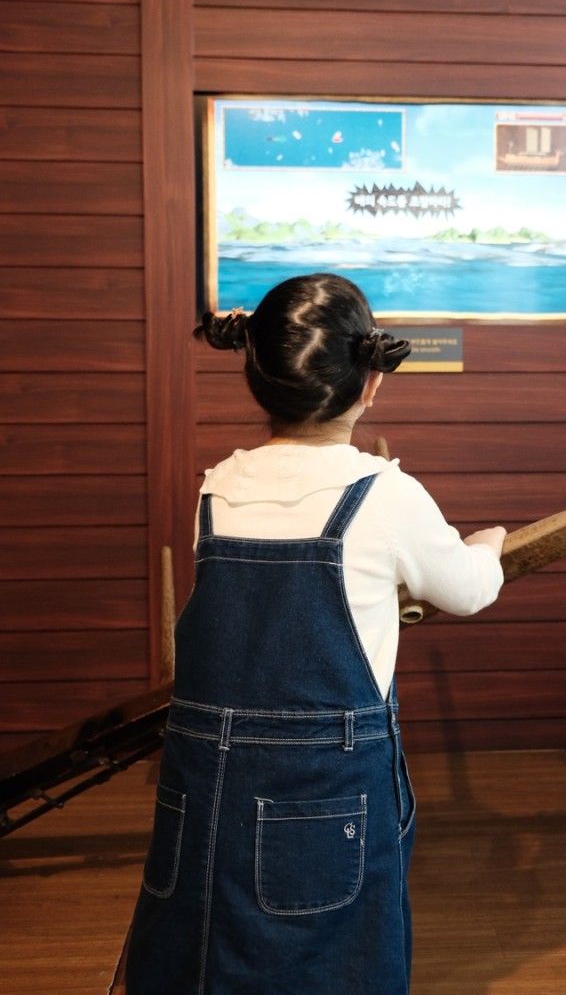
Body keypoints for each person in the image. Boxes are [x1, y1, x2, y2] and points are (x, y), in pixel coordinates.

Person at [125, 272, 506, 995]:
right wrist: (487, 547)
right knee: (331, 966)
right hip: (326, 790)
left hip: (207, 786)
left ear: (258, 378)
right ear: (371, 382)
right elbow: (467, 591)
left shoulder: (218, 486)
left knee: (202, 950)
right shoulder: (384, 493)